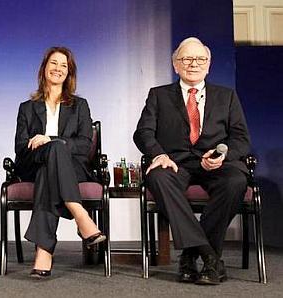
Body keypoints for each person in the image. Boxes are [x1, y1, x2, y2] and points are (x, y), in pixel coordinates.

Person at [134, 37, 251, 285]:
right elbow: (143, 132)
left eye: (200, 59)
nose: (193, 64)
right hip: (175, 164)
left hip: (216, 165)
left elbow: (241, 139)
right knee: (157, 176)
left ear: (208, 64)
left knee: (235, 181)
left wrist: (222, 156)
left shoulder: (226, 96)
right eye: (187, 59)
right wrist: (159, 154)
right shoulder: (159, 95)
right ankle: (209, 257)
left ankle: (189, 255)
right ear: (175, 64)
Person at [13, 46, 106, 279]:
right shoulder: (27, 108)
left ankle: (44, 252)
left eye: (63, 65)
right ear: (44, 68)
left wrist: (52, 140)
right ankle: (79, 213)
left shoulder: (80, 105)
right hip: (33, 163)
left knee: (50, 167)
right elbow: (20, 147)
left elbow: (85, 145)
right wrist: (49, 146)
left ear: (69, 72)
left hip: (71, 167)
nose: (58, 69)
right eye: (53, 63)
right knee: (48, 160)